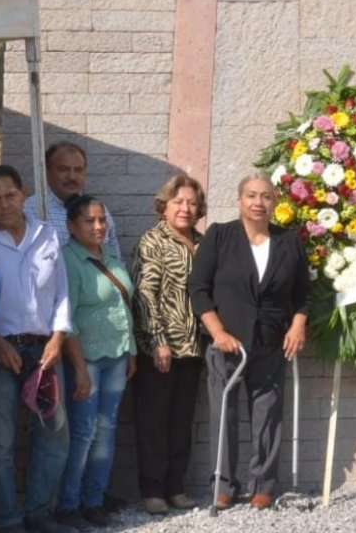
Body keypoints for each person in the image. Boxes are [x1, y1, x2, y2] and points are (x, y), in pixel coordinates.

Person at [188, 173, 309, 510]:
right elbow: (198, 290)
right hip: (226, 341)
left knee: (268, 414)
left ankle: (263, 486)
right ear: (240, 200)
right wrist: (218, 332)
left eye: (266, 196)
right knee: (224, 413)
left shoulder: (289, 241)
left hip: (271, 342)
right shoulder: (219, 236)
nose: (259, 202)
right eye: (252, 196)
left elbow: (302, 294)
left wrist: (298, 324)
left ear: (275, 201)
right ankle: (223, 484)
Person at [0, 165, 75, 533]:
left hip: (45, 351)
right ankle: (8, 520)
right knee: (0, 442)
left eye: (9, 195)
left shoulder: (47, 236)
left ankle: (39, 514)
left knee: (55, 436)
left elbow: (62, 293)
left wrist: (59, 337)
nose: (4, 204)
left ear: (23, 193)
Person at [55, 195, 136, 529]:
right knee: (84, 433)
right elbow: (67, 316)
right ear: (72, 226)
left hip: (116, 355)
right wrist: (76, 369)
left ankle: (94, 500)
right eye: (89, 221)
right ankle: (69, 505)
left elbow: (123, 306)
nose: (99, 226)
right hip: (85, 359)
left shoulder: (112, 257)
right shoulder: (68, 260)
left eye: (102, 219)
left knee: (107, 430)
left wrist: (131, 351)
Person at [130, 175, 208, 515]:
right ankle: (153, 490)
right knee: (154, 422)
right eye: (178, 202)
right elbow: (145, 294)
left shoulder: (203, 243)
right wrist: (158, 340)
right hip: (159, 349)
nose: (186, 208)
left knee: (181, 421)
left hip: (193, 348)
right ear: (164, 206)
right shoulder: (153, 241)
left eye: (192, 203)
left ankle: (176, 487)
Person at [26, 142, 120, 256]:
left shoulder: (99, 211)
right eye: (63, 169)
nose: (72, 177)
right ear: (47, 171)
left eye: (78, 170)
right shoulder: (32, 209)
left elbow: (115, 257)